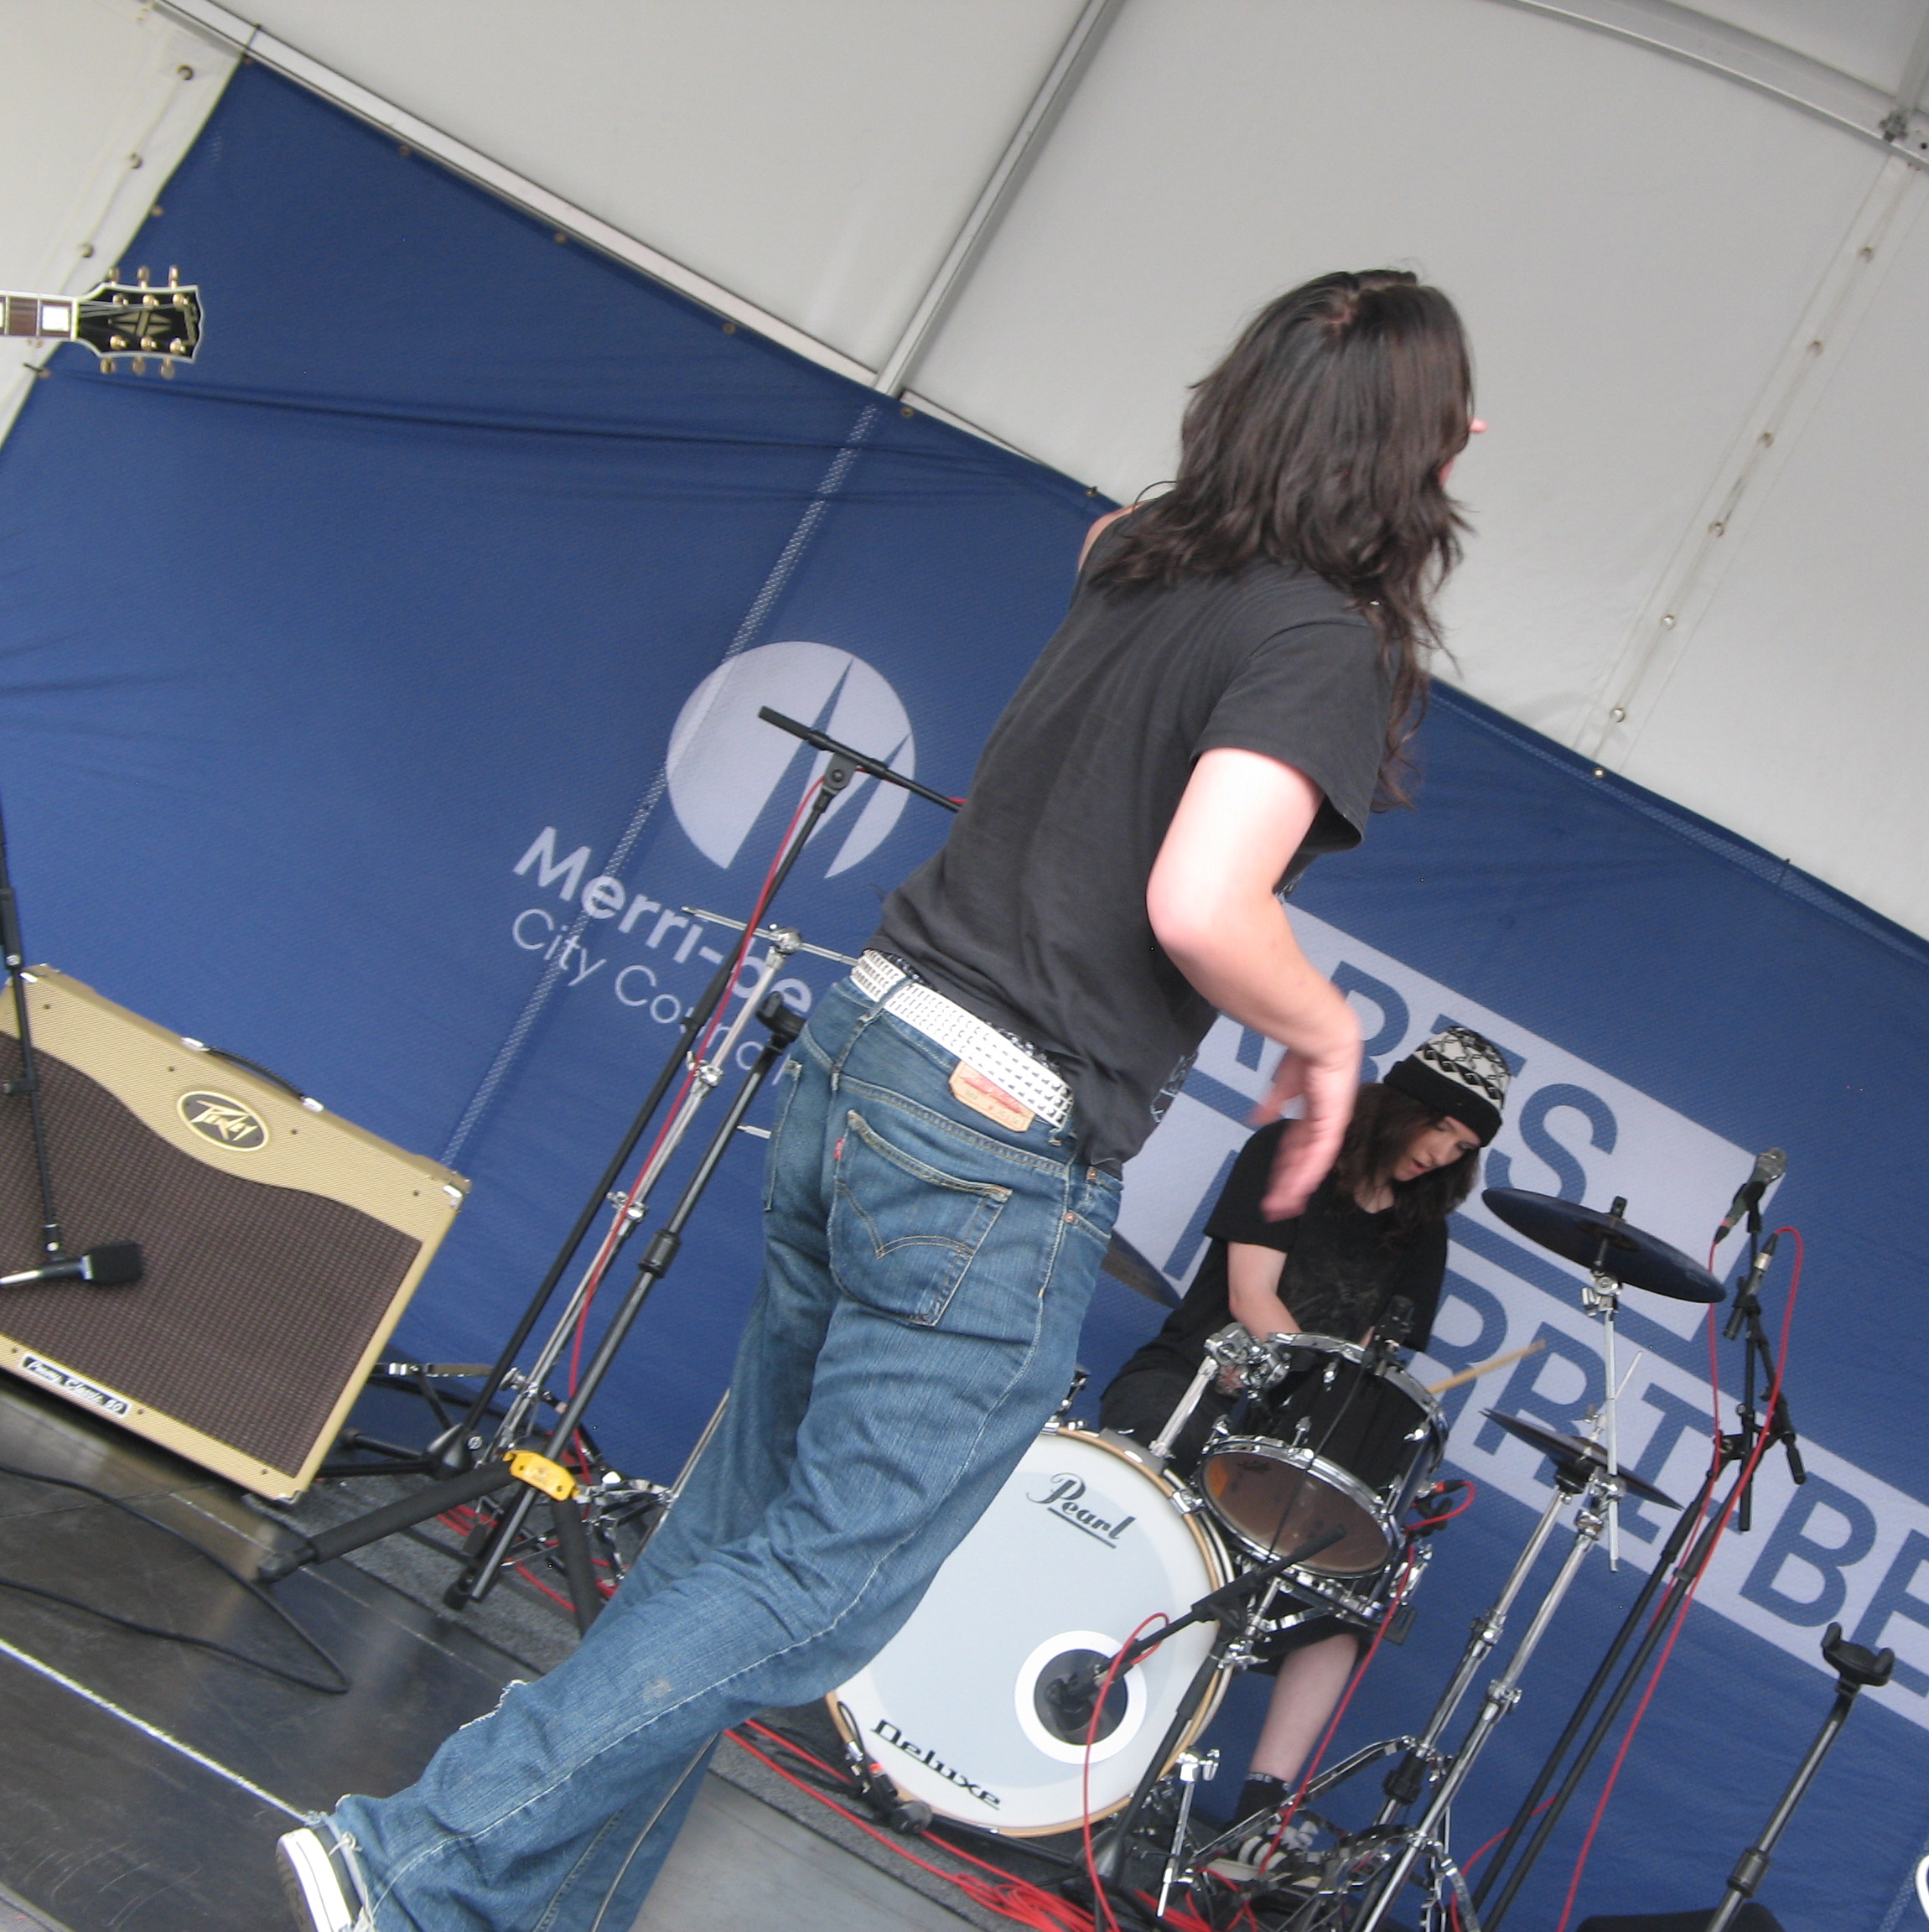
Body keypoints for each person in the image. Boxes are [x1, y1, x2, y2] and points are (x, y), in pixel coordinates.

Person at [277, 267, 1483, 1932]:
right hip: (993, 1133)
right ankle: (416, 1860)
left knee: (728, 1553)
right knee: (823, 1586)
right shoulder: (1313, 641)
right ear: (1416, 448)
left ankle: (520, 1909)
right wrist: (1327, 1032)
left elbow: (1126, 608)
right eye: (1452, 425)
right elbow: (1204, 902)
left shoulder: (1140, 554)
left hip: (874, 1049)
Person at [1098, 1025, 1510, 1838]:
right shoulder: (1288, 1151)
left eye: (1463, 1149)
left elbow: (1376, 1360)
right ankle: (1108, 1729)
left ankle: (1259, 1816)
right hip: (1198, 1378)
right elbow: (1252, 1296)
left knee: (1355, 1583)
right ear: (1400, 1108)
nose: (1442, 1155)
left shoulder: (1423, 1231)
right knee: (1180, 1488)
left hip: (1304, 1430)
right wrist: (1300, 1381)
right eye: (1440, 1129)